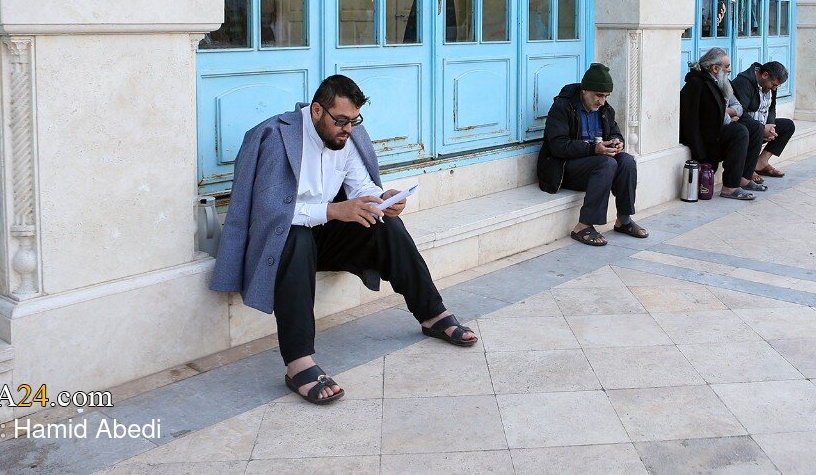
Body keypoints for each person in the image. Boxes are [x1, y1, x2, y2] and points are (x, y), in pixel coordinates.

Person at [210, 75, 477, 406]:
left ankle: (432, 314)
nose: (348, 129)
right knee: (296, 239)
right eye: (341, 120)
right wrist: (335, 210)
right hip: (280, 239)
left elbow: (360, 186)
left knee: (387, 226)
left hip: (325, 231)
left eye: (354, 121)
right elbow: (270, 213)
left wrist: (382, 198)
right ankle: (298, 363)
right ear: (318, 110)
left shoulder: (347, 136)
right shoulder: (275, 136)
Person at [538, 63, 646, 247]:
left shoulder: (604, 110)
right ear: (584, 90)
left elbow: (615, 132)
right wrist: (592, 149)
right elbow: (557, 145)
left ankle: (624, 220)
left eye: (605, 96)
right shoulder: (563, 107)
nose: (602, 101)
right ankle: (583, 225)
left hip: (595, 167)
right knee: (607, 164)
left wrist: (617, 142)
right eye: (598, 95)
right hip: (564, 169)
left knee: (627, 160)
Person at [680, 48, 763, 201]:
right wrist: (700, 154)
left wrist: (727, 113)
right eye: (726, 66)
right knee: (739, 132)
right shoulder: (697, 84)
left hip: (721, 129)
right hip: (710, 138)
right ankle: (729, 187)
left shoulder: (724, 82)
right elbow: (690, 121)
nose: (729, 70)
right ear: (714, 68)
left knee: (757, 127)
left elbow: (738, 107)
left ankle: (743, 178)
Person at [731, 60, 795, 179]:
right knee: (754, 130)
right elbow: (739, 113)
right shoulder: (744, 83)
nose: (775, 88)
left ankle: (760, 163)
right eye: (774, 84)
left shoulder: (770, 86)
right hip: (746, 127)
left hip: (761, 125)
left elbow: (772, 107)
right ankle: (747, 168)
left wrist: (770, 125)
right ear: (765, 75)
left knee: (788, 126)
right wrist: (761, 128)